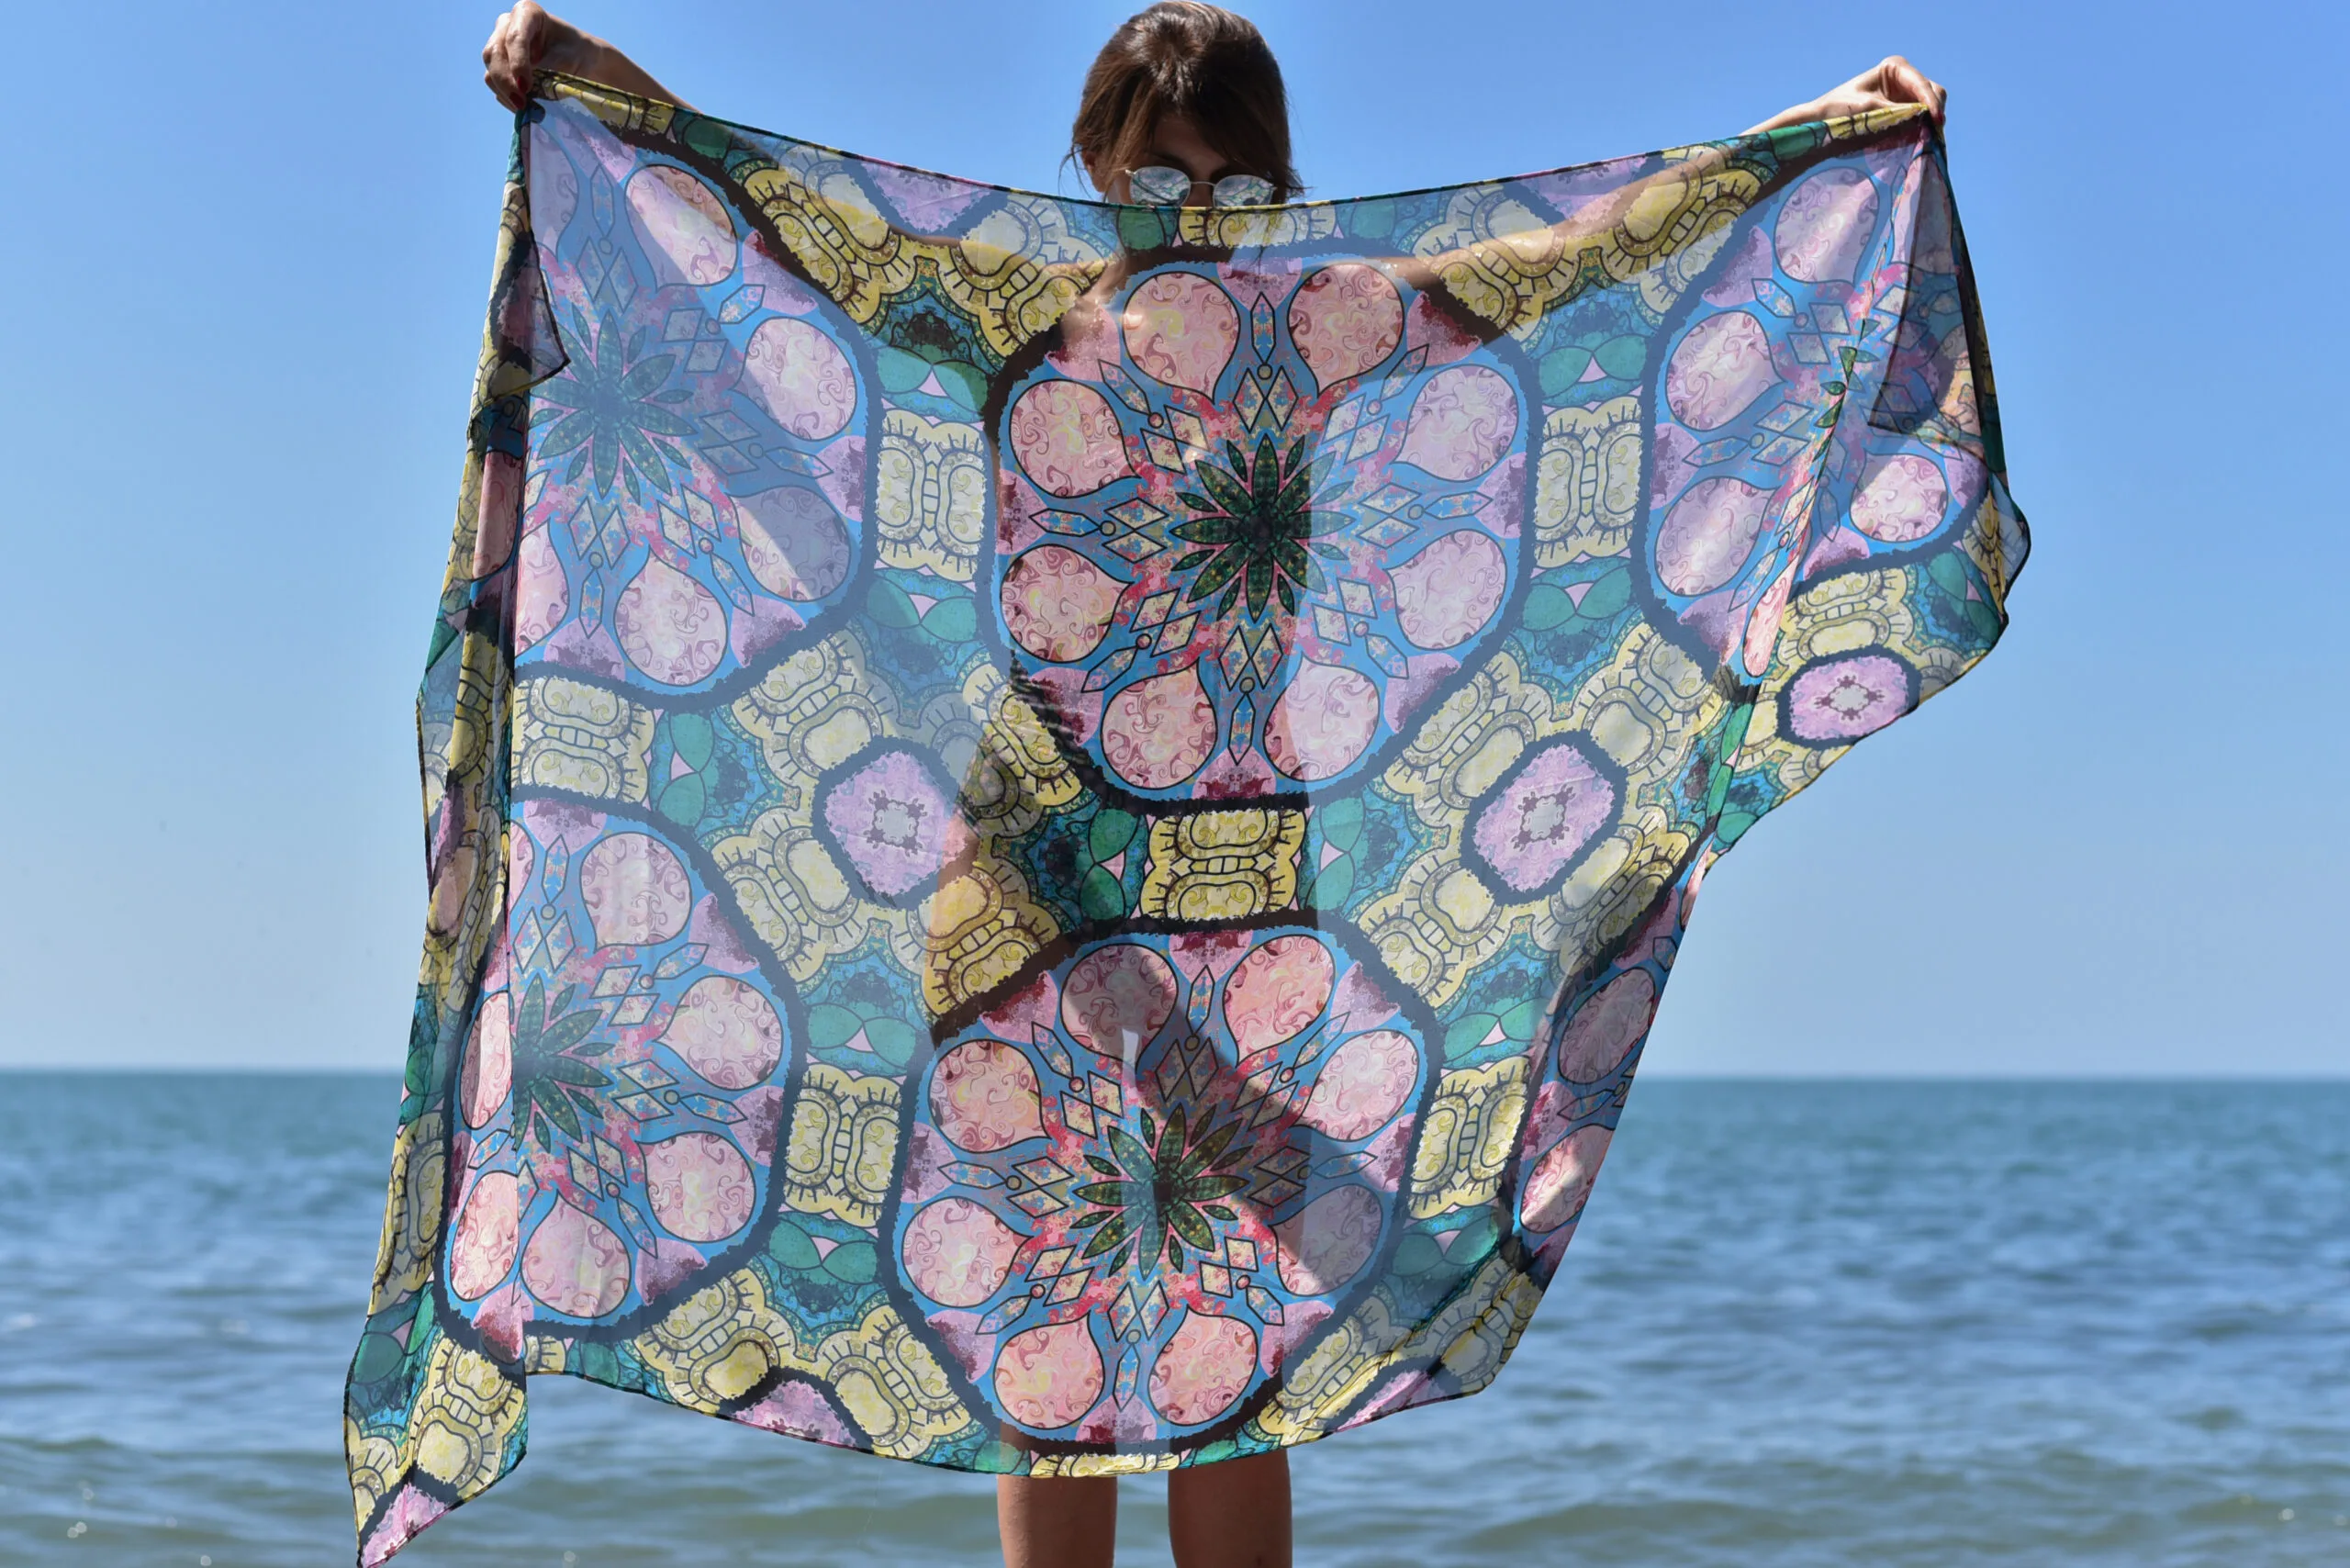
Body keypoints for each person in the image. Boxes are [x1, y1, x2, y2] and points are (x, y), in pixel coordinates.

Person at [473, 6, 1946, 1566]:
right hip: (1026, 890)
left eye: (1237, 190)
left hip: (1243, 900)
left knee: (1235, 1341)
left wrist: (1812, 136)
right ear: (1096, 167)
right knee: (1053, 1332)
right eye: (1158, 181)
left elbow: (1570, 260)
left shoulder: (1319, 331)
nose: (1194, 219)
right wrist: (602, 81)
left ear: (1280, 192)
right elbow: (772, 223)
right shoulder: (1010, 311)